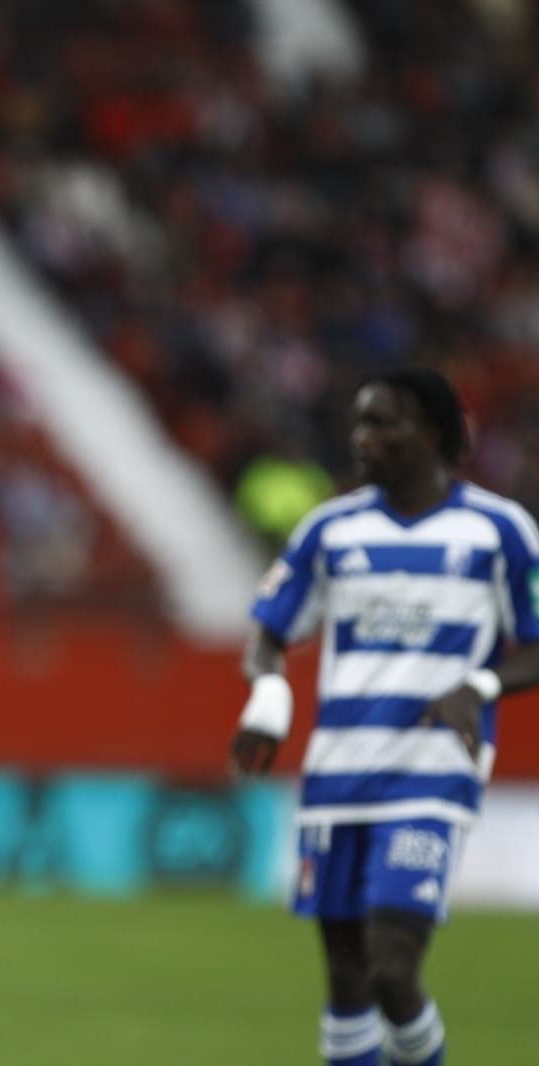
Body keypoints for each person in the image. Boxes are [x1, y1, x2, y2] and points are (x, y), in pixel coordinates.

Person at [230, 368, 539, 1066]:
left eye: (381, 423)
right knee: (345, 983)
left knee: (391, 971)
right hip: (338, 777)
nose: (363, 439)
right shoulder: (330, 530)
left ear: (431, 432)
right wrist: (269, 698)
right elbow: (268, 633)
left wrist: (481, 684)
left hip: (431, 775)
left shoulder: (498, 531)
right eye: (359, 424)